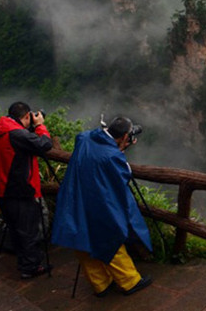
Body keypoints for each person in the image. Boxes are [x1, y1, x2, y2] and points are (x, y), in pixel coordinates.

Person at [51, 116, 153, 297]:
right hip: (96, 202)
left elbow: (84, 137)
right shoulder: (112, 155)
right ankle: (130, 282)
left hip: (74, 198)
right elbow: (124, 174)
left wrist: (117, 144)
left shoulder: (85, 138)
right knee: (110, 238)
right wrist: (121, 150)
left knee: (82, 240)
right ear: (123, 137)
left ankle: (101, 284)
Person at [0, 102, 53, 279]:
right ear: (27, 116)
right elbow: (44, 144)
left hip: (1, 189)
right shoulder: (17, 134)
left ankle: (25, 260)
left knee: (15, 228)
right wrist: (40, 125)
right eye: (31, 117)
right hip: (18, 190)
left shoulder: (1, 129)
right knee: (28, 230)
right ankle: (30, 267)